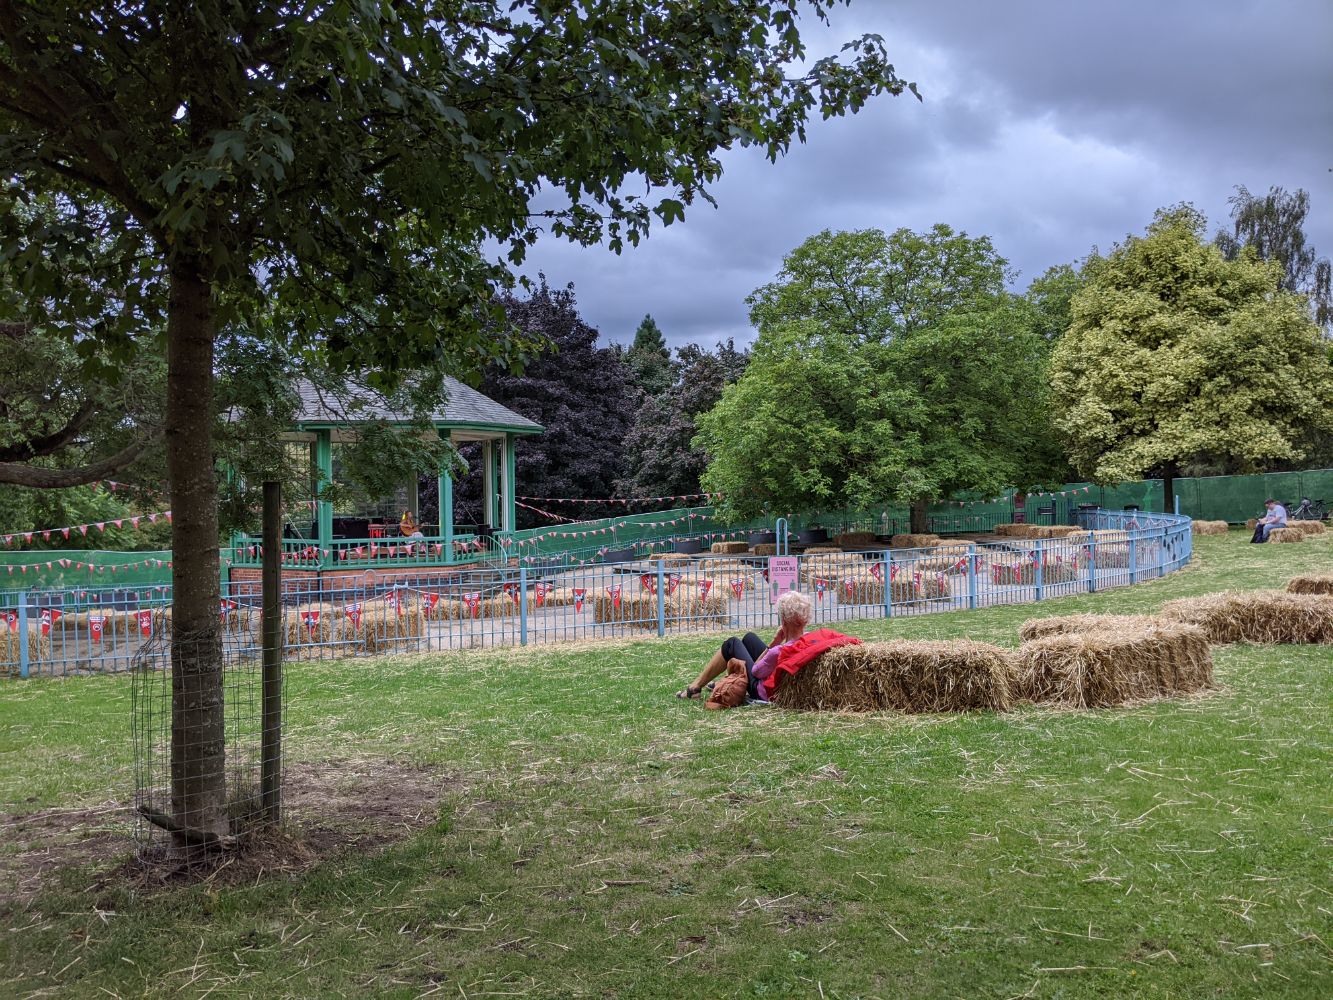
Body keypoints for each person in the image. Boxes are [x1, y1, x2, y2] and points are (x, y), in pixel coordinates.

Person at [676, 590, 815, 703]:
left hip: (761, 690)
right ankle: (721, 681)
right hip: (780, 679)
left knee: (732, 644)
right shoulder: (810, 638)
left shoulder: (778, 651)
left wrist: (774, 642)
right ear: (805, 619)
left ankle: (694, 688)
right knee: (750, 638)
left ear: (783, 620)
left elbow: (756, 671)